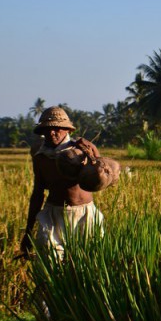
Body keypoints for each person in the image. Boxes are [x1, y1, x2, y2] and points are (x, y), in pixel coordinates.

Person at [20, 106, 105, 259]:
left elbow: (100, 177)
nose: (52, 132)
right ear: (42, 132)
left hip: (84, 215)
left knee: (87, 261)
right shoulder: (41, 157)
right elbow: (38, 193)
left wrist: (92, 154)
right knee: (51, 261)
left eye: (58, 128)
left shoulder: (81, 151)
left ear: (67, 130)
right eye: (48, 129)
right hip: (54, 215)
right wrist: (28, 232)